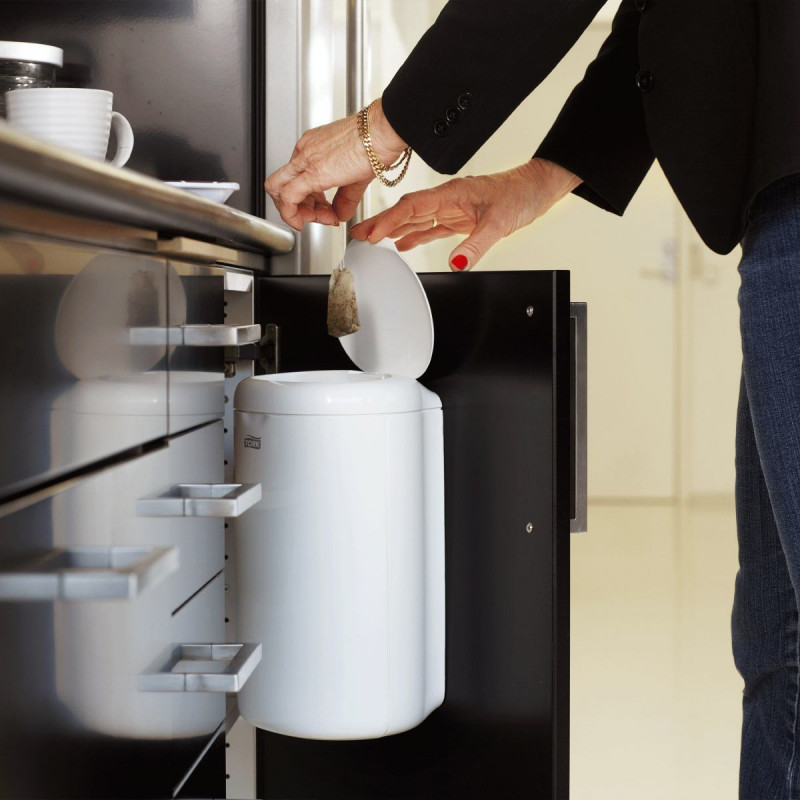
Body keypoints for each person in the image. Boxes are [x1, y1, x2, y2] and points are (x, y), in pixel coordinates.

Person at [265, 2, 800, 797]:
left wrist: (380, 129)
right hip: (780, 216)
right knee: (777, 649)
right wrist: (533, 181)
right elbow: (674, 18)